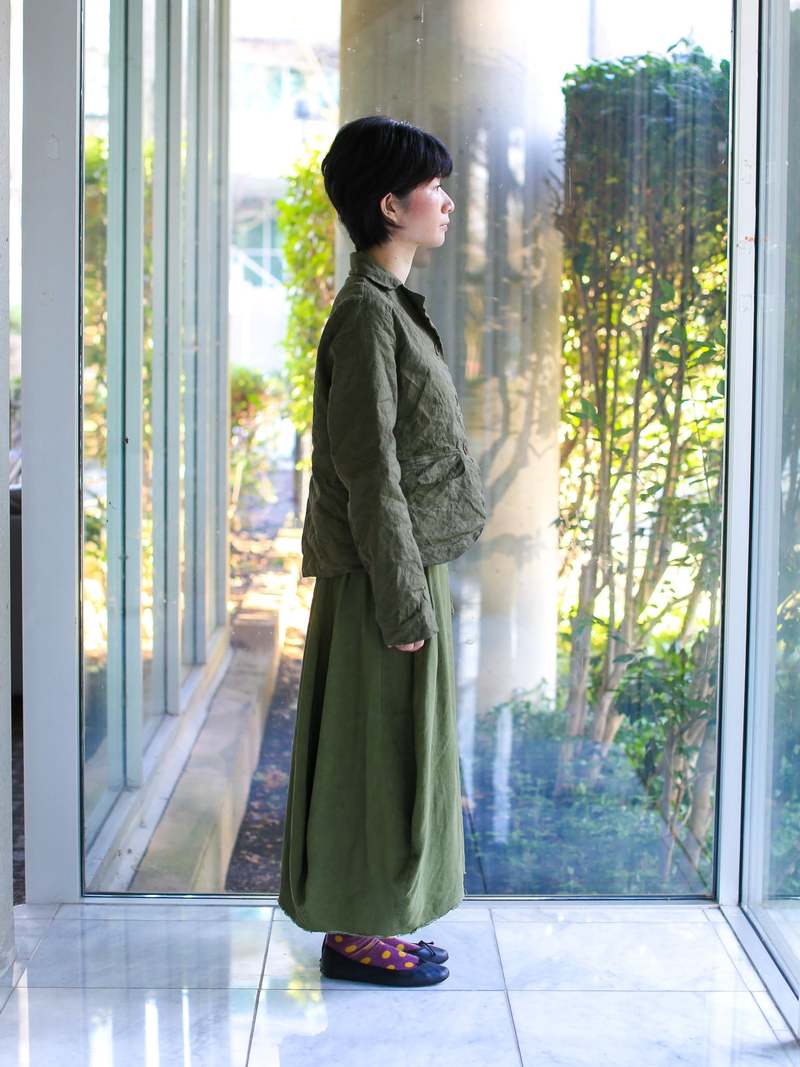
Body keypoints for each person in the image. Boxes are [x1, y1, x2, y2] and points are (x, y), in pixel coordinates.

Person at [277, 115, 487, 987]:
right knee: (373, 751)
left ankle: (378, 917)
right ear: (390, 205)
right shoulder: (366, 315)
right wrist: (402, 600)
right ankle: (356, 930)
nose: (446, 200)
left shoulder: (389, 304)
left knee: (396, 747)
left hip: (396, 563)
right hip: (378, 573)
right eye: (433, 187)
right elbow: (370, 472)